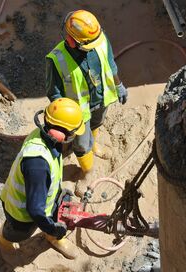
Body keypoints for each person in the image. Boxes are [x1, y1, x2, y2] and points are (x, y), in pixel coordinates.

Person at [0, 98, 85, 260]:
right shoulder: (38, 164)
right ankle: (2, 239)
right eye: (73, 132)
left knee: (55, 212)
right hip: (21, 214)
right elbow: (36, 210)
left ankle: (52, 239)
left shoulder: (44, 135)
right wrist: (52, 229)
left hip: (42, 200)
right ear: (61, 133)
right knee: (17, 233)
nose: (73, 136)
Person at [45, 9, 128, 174]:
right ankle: (86, 170)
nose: (92, 49)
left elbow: (111, 65)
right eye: (87, 47)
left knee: (97, 123)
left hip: (101, 99)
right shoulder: (56, 59)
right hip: (78, 113)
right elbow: (54, 94)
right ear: (71, 40)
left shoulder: (99, 39)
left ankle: (94, 145)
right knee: (82, 144)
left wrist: (119, 85)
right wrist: (64, 124)